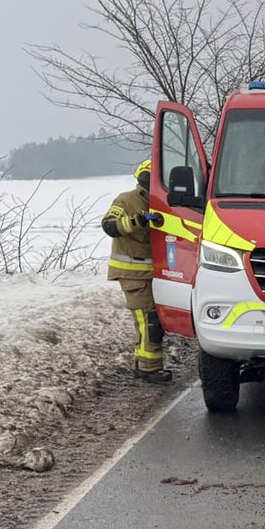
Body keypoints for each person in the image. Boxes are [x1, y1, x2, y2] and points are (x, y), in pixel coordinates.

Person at [101, 160, 169, 383]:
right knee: (149, 322)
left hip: (152, 274)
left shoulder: (160, 203)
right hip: (132, 274)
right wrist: (136, 221)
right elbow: (109, 225)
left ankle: (143, 365)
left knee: (152, 321)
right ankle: (149, 369)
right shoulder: (126, 200)